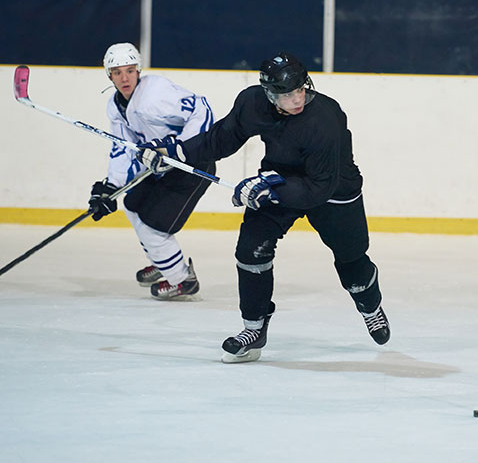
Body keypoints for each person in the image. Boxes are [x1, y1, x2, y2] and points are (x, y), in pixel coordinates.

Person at [139, 52, 390, 363]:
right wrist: (174, 151)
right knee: (251, 249)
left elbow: (318, 186)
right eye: (287, 94)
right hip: (278, 179)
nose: (297, 98)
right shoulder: (253, 103)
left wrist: (269, 188)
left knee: (351, 258)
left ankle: (370, 307)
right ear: (270, 94)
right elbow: (221, 139)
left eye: (301, 89)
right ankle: (254, 328)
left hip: (334, 188)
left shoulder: (326, 118)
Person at [88, 42, 216, 300]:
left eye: (130, 70)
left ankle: (182, 280)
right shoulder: (116, 107)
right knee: (132, 204)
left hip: (190, 167)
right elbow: (123, 149)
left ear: (138, 70)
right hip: (160, 169)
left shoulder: (155, 94)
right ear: (109, 76)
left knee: (152, 227)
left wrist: (181, 148)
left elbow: (202, 109)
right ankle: (164, 261)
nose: (124, 78)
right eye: (117, 72)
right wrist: (110, 187)